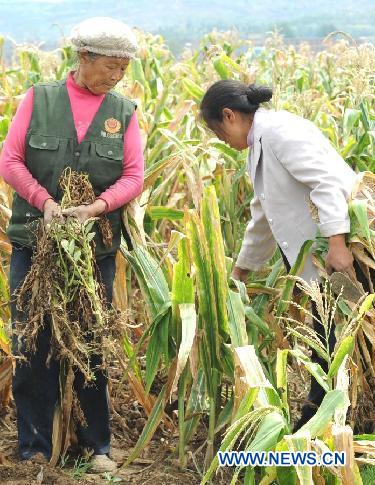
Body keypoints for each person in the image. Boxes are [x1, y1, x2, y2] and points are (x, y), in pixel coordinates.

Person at [0, 17, 144, 473]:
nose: (116, 76)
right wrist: (43, 202)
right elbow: (10, 160)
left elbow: (133, 177)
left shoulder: (123, 111)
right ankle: (34, 448)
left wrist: (98, 207)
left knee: (90, 343)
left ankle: (97, 446)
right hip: (33, 242)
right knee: (33, 341)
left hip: (94, 249)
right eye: (110, 67)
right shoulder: (39, 99)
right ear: (83, 57)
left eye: (123, 69)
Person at [199, 80, 372, 431]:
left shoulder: (280, 133)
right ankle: (325, 420)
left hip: (347, 251)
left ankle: (317, 423)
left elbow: (324, 183)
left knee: (337, 339)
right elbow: (263, 214)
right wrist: (243, 269)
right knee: (328, 338)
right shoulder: (259, 145)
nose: (222, 141)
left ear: (229, 116)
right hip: (323, 259)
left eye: (218, 132)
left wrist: (338, 245)